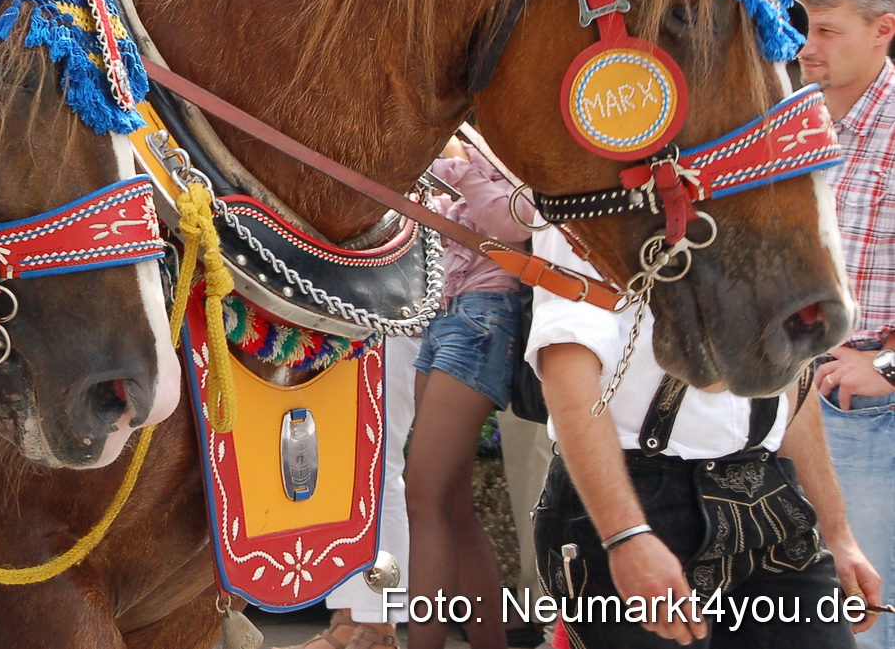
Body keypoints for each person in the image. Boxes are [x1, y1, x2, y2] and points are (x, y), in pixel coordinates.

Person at [527, 225, 879, 648]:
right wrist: (626, 535)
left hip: (768, 497)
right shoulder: (589, 200)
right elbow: (568, 380)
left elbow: (792, 378)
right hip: (640, 496)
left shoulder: (770, 195)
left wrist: (838, 535)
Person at [791, 0, 895, 649]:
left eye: (828, 29)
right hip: (777, 402)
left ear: (883, 28)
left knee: (860, 624)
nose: (808, 45)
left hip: (861, 411)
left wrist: (885, 367)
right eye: (802, 24)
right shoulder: (786, 115)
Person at [401, 136, 533, 649]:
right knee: (450, 502)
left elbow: (516, 226)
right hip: (442, 320)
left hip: (485, 316)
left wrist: (459, 169)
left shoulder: (500, 152)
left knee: (424, 495)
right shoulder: (446, 154)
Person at [303, 334, 418, 649]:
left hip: (395, 316)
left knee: (378, 468)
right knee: (347, 469)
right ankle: (351, 622)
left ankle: (378, 628)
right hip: (359, 318)